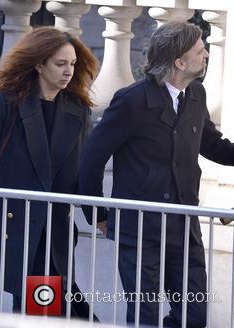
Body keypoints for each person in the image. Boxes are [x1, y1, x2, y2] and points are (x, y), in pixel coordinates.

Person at [78, 21, 234, 327]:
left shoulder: (196, 94)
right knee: (145, 316)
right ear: (180, 61)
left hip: (185, 227)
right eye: (201, 51)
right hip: (140, 230)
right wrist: (96, 213)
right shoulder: (132, 100)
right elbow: (92, 157)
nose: (206, 56)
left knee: (193, 315)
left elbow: (212, 145)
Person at [0, 26, 98, 316]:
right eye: (60, 64)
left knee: (46, 303)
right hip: (14, 221)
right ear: (39, 64)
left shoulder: (77, 109)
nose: (68, 71)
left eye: (72, 64)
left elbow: (82, 171)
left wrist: (101, 215)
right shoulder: (7, 101)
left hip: (55, 226)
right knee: (42, 302)